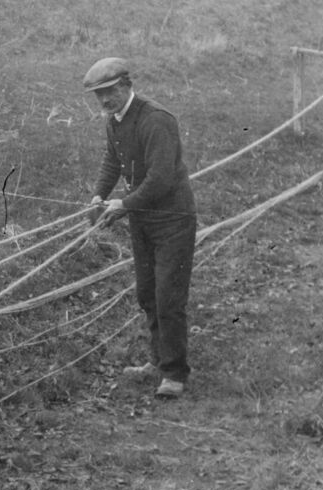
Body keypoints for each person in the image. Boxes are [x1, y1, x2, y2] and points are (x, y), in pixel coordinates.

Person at [83, 57, 198, 399]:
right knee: (147, 293)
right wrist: (98, 196)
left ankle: (175, 373)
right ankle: (158, 360)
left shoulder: (155, 120)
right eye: (97, 95)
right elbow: (113, 161)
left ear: (125, 85)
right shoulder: (115, 121)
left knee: (168, 297)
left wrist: (124, 204)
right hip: (142, 220)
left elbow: (161, 178)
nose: (104, 100)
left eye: (109, 92)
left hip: (172, 220)